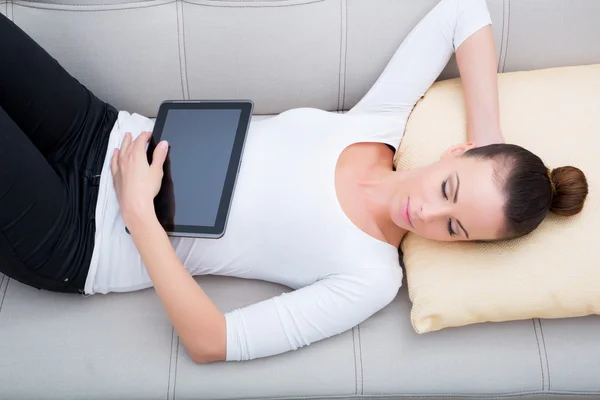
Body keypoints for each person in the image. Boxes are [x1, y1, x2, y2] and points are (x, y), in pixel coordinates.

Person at [0, 0, 588, 364]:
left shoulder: (370, 279)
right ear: (457, 152)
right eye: (449, 189)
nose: (426, 215)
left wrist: (138, 214)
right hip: (99, 130)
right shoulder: (380, 121)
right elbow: (464, 10)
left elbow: (212, 342)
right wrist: (491, 137)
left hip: (81, 238)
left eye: (456, 229)